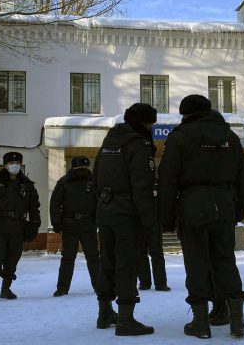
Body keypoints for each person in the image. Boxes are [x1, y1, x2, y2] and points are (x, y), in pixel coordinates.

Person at [159, 94, 244, 339]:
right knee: (225, 260)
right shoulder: (230, 137)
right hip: (224, 204)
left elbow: (167, 179)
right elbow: (243, 177)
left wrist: (166, 216)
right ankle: (237, 320)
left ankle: (200, 323)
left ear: (185, 114)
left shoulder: (180, 137)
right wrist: (237, 210)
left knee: (196, 262)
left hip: (193, 205)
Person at [93, 103, 158, 336]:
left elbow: (96, 174)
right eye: (150, 123)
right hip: (127, 212)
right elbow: (142, 184)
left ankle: (104, 312)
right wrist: (149, 218)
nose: (152, 127)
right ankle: (126, 319)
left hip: (106, 208)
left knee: (107, 260)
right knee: (127, 263)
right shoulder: (138, 144)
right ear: (142, 123)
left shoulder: (110, 141)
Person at [0, 152, 41, 302]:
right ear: (5, 165)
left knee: (13, 259)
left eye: (17, 163)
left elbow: (34, 207)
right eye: (11, 162)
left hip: (18, 228)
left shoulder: (27, 185)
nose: (14, 165)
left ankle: (5, 289)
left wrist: (34, 225)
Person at [50, 156, 100, 297]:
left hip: (88, 224)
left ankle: (99, 286)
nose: (83, 170)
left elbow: (100, 202)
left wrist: (98, 221)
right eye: (80, 168)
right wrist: (56, 222)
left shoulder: (93, 181)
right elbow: (55, 203)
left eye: (85, 167)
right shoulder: (64, 182)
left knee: (94, 257)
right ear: (73, 168)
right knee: (68, 258)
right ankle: (62, 288)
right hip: (69, 224)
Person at [137, 222, 170, 292]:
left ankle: (146, 282)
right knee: (153, 254)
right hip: (148, 220)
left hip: (145, 221)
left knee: (146, 254)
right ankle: (159, 283)